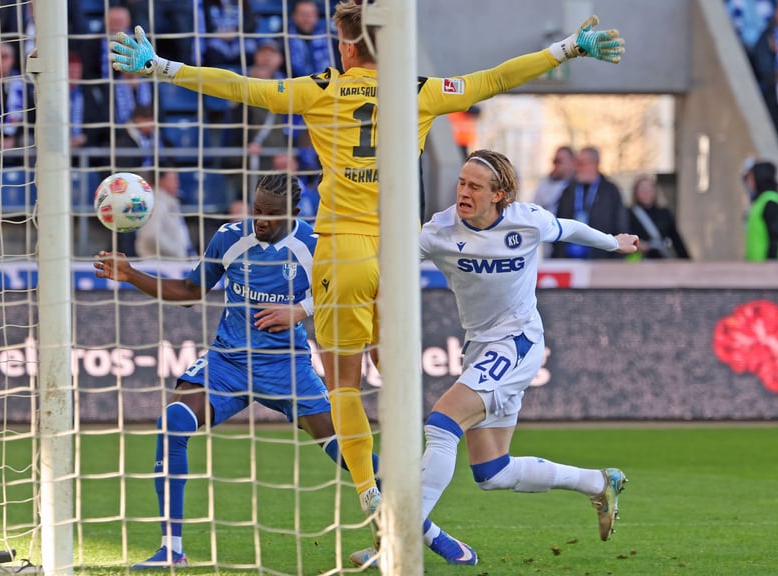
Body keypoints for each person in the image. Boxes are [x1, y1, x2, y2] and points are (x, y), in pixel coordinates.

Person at [107, 4, 624, 545]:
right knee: (395, 376)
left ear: (348, 47)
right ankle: (406, 496)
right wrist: (567, 49)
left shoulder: (320, 87)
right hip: (400, 253)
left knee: (344, 385)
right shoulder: (419, 90)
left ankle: (369, 490)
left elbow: (241, 88)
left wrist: (162, 67)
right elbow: (495, 78)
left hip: (344, 249)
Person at [350, 150, 636, 566]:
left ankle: (397, 541)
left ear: (499, 194)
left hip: (518, 342)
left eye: (474, 186)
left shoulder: (527, 219)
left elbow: (568, 228)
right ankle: (598, 482)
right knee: (492, 472)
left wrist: (612, 242)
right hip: (480, 346)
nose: (463, 192)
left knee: (442, 424)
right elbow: (382, 270)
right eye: (461, 183)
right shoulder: (438, 231)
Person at [94, 174, 382, 568]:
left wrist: (301, 310)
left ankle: (409, 523)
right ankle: (171, 551)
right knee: (172, 422)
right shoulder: (229, 238)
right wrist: (130, 274)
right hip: (228, 361)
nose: (260, 220)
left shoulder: (314, 247)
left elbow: (350, 290)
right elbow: (190, 292)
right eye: (256, 211)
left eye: (271, 215)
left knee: (347, 448)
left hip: (286, 365)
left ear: (294, 213)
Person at [553, 146, 629, 259]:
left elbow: (620, 224)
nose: (578, 168)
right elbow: (559, 222)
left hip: (601, 258)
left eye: (582, 163)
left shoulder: (610, 191)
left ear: (595, 164)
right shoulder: (569, 190)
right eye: (577, 163)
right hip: (570, 257)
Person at [133, 166, 196, 260]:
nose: (178, 183)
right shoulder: (156, 201)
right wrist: (178, 254)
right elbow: (150, 235)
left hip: (169, 263)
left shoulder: (168, 200)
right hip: (159, 264)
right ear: (160, 180)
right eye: (173, 179)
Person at [627, 175, 690, 260]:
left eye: (650, 189)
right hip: (639, 260)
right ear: (636, 192)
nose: (646, 192)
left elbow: (676, 239)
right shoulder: (628, 214)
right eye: (643, 189)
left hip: (661, 260)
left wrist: (687, 260)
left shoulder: (664, 213)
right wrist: (637, 244)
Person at [743, 160, 778, 262]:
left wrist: (771, 263)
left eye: (751, 177)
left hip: (772, 269)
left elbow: (775, 236)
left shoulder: (770, 202)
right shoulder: (761, 201)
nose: (748, 182)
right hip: (760, 267)